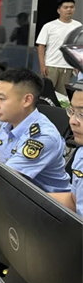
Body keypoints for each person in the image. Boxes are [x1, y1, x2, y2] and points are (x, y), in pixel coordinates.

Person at [0, 68, 70, 194]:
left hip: (45, 202)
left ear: (27, 100)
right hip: (16, 193)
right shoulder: (10, 123)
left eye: (1, 99)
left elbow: (0, 178)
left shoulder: (42, 137)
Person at [36, 0, 82, 95]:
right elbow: (41, 46)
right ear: (59, 10)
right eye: (66, 7)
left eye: (72, 7)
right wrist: (42, 65)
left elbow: (78, 47)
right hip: (51, 65)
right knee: (46, 93)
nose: (69, 9)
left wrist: (77, 64)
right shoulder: (49, 26)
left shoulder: (78, 26)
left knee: (63, 95)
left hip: (68, 66)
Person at [51, 88, 83, 216]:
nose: (72, 121)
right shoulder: (81, 153)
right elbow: (75, 202)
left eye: (82, 114)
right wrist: (26, 199)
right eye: (72, 111)